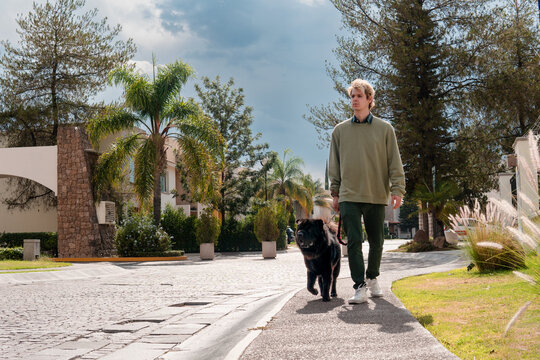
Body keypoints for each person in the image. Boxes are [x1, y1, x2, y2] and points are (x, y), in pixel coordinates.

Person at [329, 79, 405, 304]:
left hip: (375, 193)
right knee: (354, 240)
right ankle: (359, 286)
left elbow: (394, 162)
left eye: (359, 96)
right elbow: (334, 164)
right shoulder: (340, 131)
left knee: (377, 241)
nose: (354, 99)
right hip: (349, 195)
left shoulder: (385, 129)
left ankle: (372, 277)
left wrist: (397, 189)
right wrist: (335, 193)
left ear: (369, 99)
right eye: (352, 96)